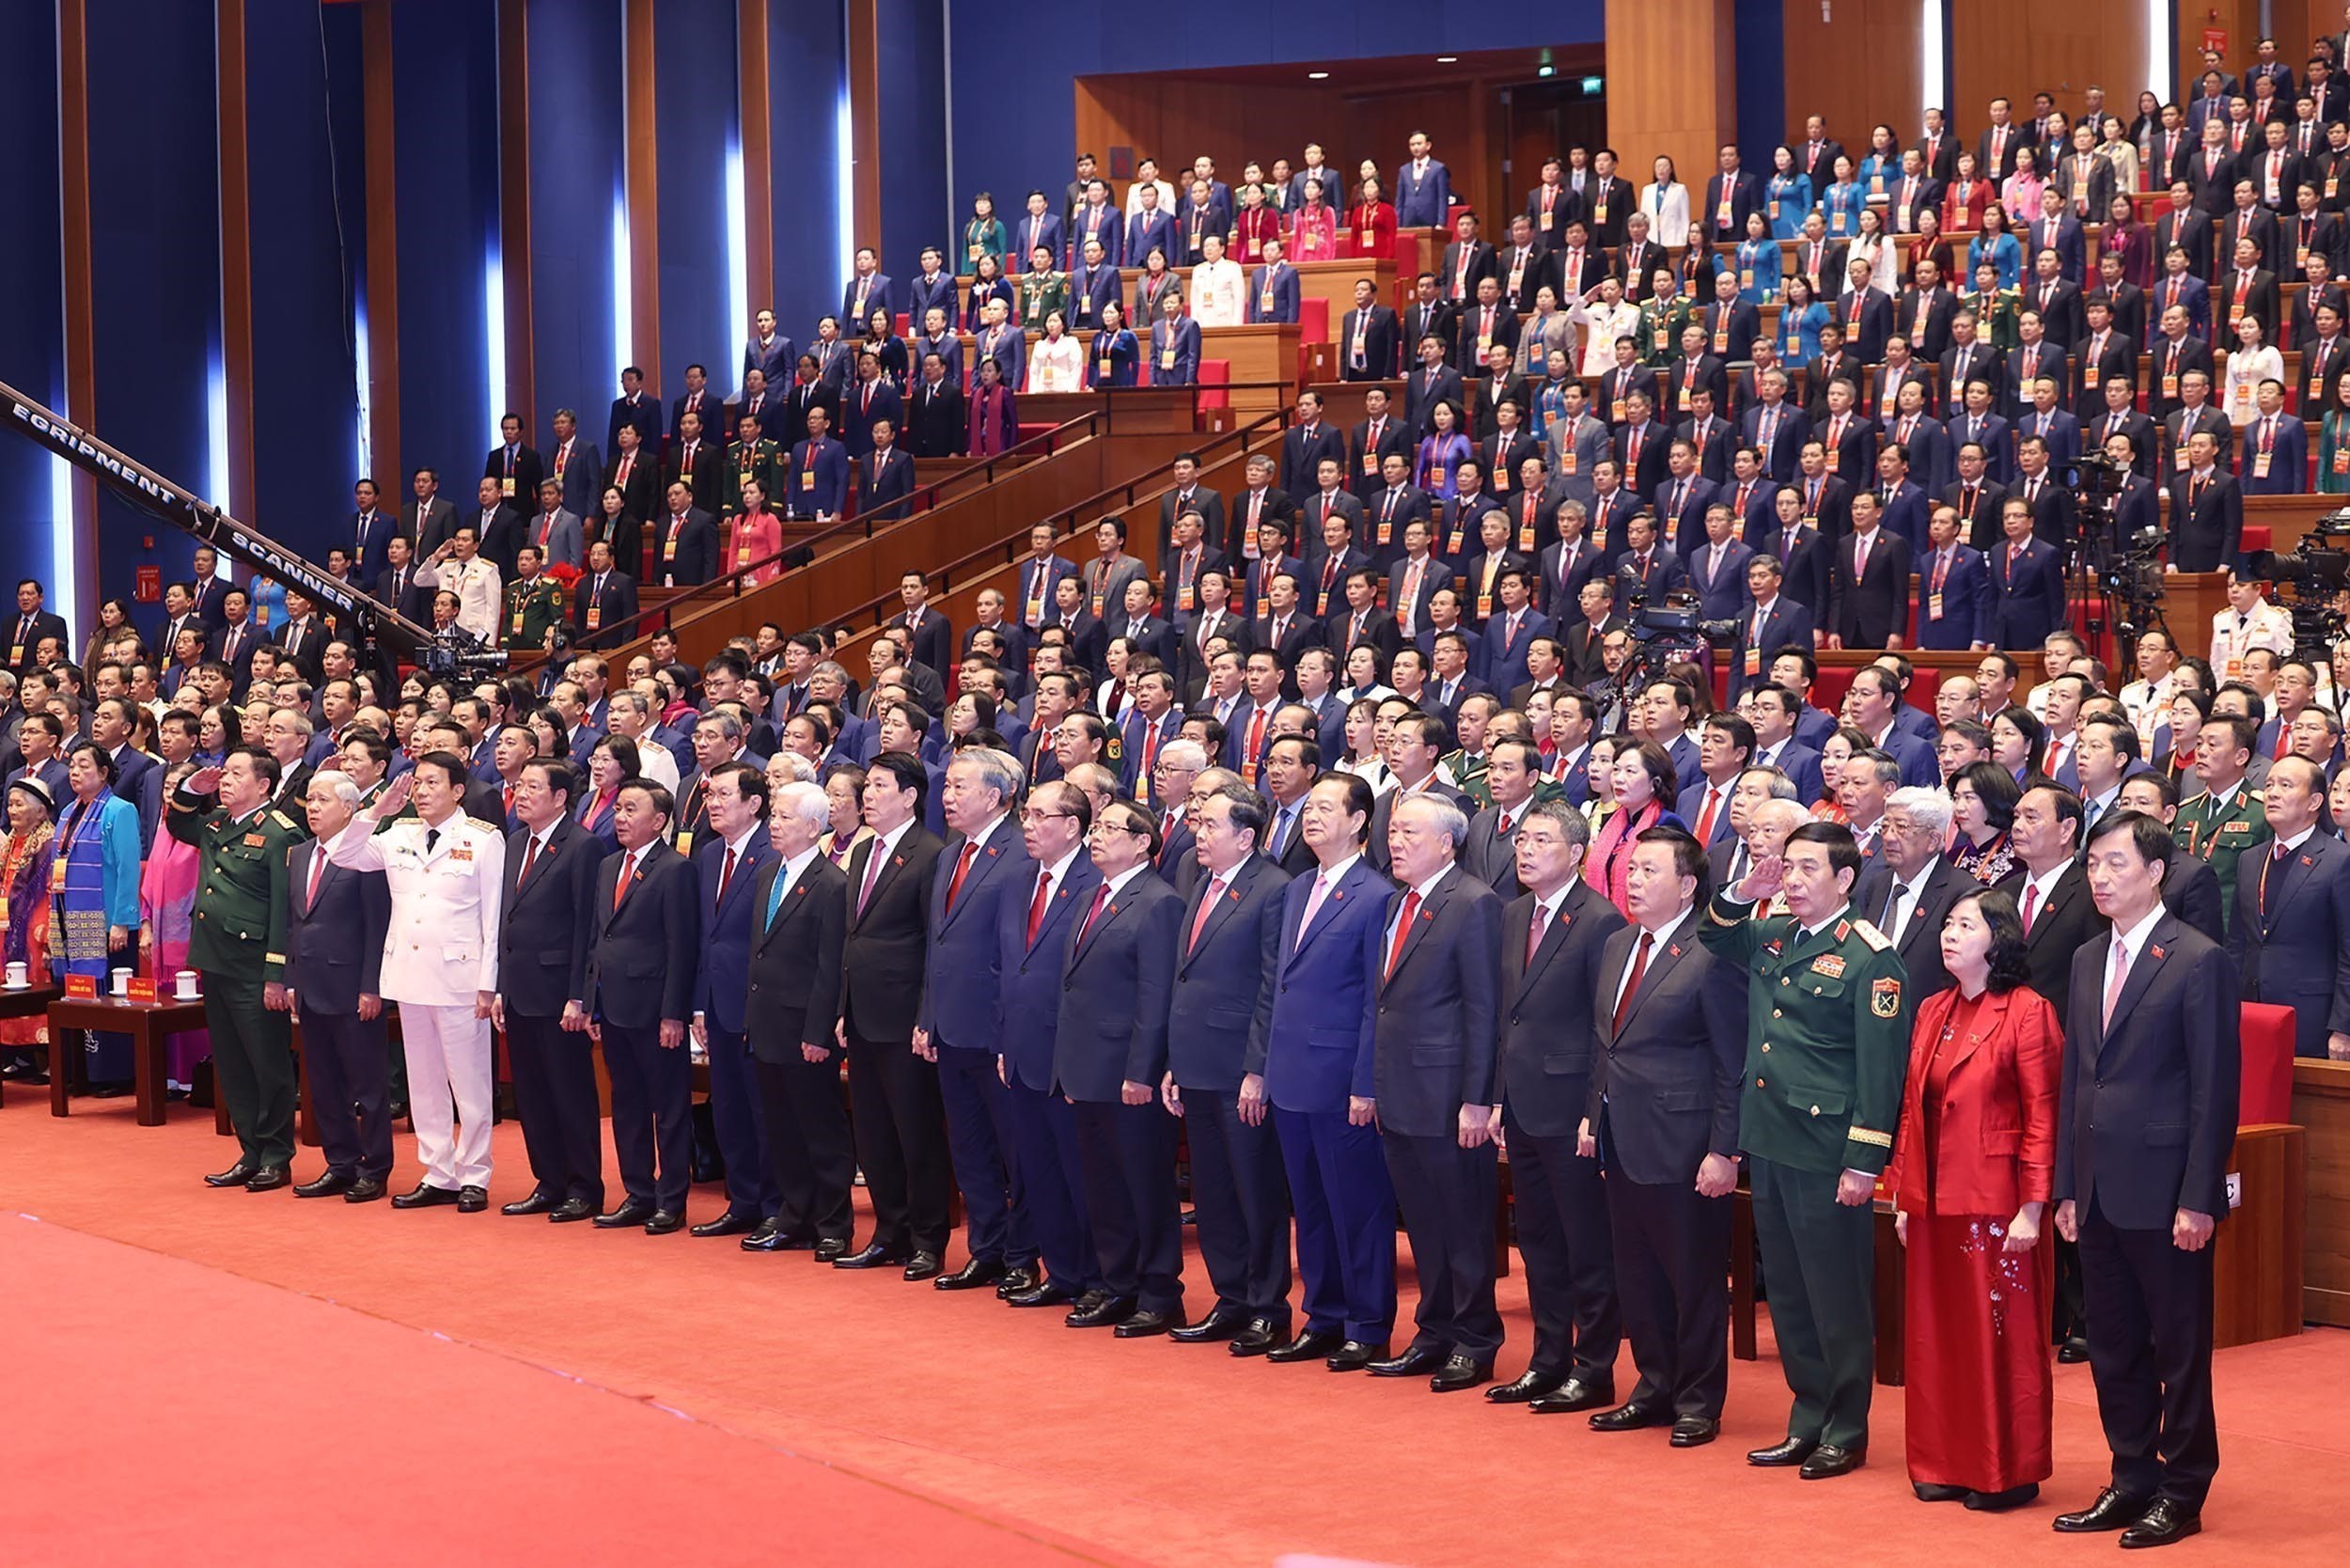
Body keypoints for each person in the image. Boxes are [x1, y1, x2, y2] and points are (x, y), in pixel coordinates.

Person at [2052, 811, 2239, 1549]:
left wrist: (2200, 1197)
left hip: (2166, 1193)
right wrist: (2067, 1185)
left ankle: (2183, 1488)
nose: (2099, 876)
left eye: (2115, 863)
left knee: (2179, 1347)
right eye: (2093, 864)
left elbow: (2213, 1093)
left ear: (2156, 871)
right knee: (2113, 1344)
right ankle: (2131, 1475)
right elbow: (2075, 1081)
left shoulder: (2198, 958)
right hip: (2097, 1189)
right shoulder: (2085, 959)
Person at [1702, 822, 1911, 1479]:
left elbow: (1881, 1072)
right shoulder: (1775, 935)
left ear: (1845, 879)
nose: (1791, 880)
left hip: (1827, 1150)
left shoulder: (1871, 957)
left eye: (1806, 869)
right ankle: (1806, 1417)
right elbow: (1713, 934)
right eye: (1786, 868)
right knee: (1789, 1291)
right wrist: (1744, 888)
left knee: (1835, 1292)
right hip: (1770, 1139)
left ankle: (1846, 1428)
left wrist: (1864, 1160)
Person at [1887, 888, 2060, 1510]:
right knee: (1938, 1336)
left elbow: (2045, 1115)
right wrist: (1904, 1194)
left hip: (1997, 1201)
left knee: (1999, 1337)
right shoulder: (1932, 1007)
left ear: (1999, 938)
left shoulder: (2027, 1010)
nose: (1950, 933)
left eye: (1966, 925)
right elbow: (1912, 1110)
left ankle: (2005, 1469)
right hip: (1934, 1196)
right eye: (1948, 924)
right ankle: (1941, 1460)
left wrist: (2034, 1205)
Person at [1479, 800, 1631, 1407]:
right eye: (1521, 838)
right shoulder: (1514, 914)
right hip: (1519, 1103)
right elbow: (1503, 1018)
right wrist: (1494, 1097)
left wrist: (1595, 1109)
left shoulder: (1599, 920)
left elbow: (1605, 1028)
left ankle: (1593, 1368)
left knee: (1585, 1244)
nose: (1525, 848)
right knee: (1537, 1241)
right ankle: (1547, 1359)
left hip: (1572, 1111)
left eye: (1541, 839)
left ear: (1575, 853)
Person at [1252, 772, 1397, 1367]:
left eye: (1325, 807)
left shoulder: (1375, 893)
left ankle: (1368, 1323)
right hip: (1289, 1073)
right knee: (1309, 1206)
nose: (1310, 816)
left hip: (1340, 1080)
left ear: (1359, 821)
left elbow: (1373, 1000)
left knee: (1356, 1207)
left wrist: (1365, 1083)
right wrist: (1261, 1068)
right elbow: (1277, 986)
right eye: (1307, 807)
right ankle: (1325, 1315)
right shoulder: (1296, 888)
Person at [325, 753, 506, 1211]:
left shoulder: (483, 841)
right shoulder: (397, 833)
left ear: (458, 791)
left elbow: (493, 918)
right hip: (409, 975)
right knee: (423, 1084)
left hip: (460, 979)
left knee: (469, 1083)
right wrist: (376, 810)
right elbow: (342, 852)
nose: (422, 792)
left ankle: (474, 1174)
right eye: (418, 783)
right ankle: (438, 1170)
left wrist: (489, 983)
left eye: (432, 783)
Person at [1161, 778, 1292, 1351]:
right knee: (1211, 1192)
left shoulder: (1273, 889)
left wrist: (1257, 1068)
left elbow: (1272, 986)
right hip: (1195, 1061)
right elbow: (1185, 974)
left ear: (1245, 836)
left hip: (1240, 1067)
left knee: (1254, 1191)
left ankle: (1268, 1307)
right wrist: (1171, 1059)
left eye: (1211, 824)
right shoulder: (1199, 878)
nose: (1199, 831)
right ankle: (1230, 1296)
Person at [1054, 796, 1185, 1333]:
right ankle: (1117, 1283)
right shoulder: (1090, 894)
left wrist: (1143, 1070)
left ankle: (1158, 1292)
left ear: (1142, 843)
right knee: (1104, 1183)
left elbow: (1156, 996)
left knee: (1146, 1185)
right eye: (1097, 827)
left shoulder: (1159, 902)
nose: (1097, 835)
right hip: (1086, 1065)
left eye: (1111, 828)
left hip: (1130, 1072)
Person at [912, 749, 1037, 1293]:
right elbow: (935, 945)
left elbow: (1017, 956)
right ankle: (986, 1247)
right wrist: (927, 1016)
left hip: (996, 1030)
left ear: (995, 795)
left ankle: (1023, 1254)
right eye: (947, 787)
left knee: (1016, 1150)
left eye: (960, 787)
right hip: (950, 1027)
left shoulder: (1020, 856)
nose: (948, 796)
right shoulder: (949, 855)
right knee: (969, 1147)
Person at [167, 748, 305, 1192]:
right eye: (224, 773)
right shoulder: (216, 825)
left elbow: (285, 910)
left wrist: (276, 974)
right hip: (216, 961)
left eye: (235, 774)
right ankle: (250, 1151)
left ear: (264, 785)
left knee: (267, 1064)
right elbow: (178, 823)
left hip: (254, 967)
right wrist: (192, 790)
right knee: (232, 1064)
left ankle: (276, 1155)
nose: (225, 780)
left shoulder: (281, 834)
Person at [836, 751, 950, 1275]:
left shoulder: (931, 854)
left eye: (879, 785)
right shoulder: (862, 852)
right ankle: (889, 1230)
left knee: (916, 1131)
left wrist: (926, 1015)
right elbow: (850, 937)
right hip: (861, 1013)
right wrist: (841, 1007)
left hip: (905, 1017)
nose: (867, 794)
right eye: (867, 785)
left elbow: (933, 944)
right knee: (875, 1133)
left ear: (909, 795)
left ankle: (928, 1238)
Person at [493, 757, 605, 1223]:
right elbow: (506, 919)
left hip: (560, 991)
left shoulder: (582, 847)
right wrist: (498, 985)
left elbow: (587, 925)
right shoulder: (515, 842)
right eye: (520, 786)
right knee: (533, 1093)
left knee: (570, 1091)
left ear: (560, 797)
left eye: (533, 786)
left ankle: (584, 1186)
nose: (521, 793)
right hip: (519, 988)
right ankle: (548, 1180)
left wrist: (579, 994)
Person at [584, 780, 700, 1232]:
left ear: (659, 820)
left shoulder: (675, 869)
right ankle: (637, 1192)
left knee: (669, 1108)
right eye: (619, 808)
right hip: (613, 1006)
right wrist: (593, 1003)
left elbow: (681, 945)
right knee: (627, 1104)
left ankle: (671, 1198)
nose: (621, 816)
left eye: (633, 809)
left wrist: (675, 1013)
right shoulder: (609, 863)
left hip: (655, 1010)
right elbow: (600, 937)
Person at [281, 772, 394, 1201]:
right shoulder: (300, 853)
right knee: (324, 1085)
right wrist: (291, 980)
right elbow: (296, 924)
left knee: (367, 1085)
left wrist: (372, 987)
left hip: (353, 989)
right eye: (309, 799)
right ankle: (340, 1163)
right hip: (310, 988)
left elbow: (376, 924)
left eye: (322, 799)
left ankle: (375, 1166)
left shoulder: (365, 856)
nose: (312, 807)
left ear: (349, 807)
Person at [2230, 753, 2350, 1058]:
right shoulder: (2250, 859)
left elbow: (2348, 951)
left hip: (2311, 1020)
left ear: (2314, 801)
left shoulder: (2339, 861)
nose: (2272, 793)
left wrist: (2343, 1027)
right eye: (2269, 784)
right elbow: (2237, 943)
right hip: (2250, 1012)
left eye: (2286, 785)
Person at [48, 743, 142, 1091]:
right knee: (77, 994)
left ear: (104, 773)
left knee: (110, 998)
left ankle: (114, 1074)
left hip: (107, 921)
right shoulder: (68, 811)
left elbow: (128, 868)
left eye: (84, 765)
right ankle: (82, 1072)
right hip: (69, 916)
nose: (74, 771)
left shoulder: (120, 810)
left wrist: (121, 920)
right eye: (71, 765)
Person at [0, 777, 56, 1077]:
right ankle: (16, 1053)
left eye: (19, 804)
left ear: (40, 812)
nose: (12, 810)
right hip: (8, 924)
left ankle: (46, 1059)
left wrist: (46, 933)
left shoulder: (48, 843)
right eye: (10, 804)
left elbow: (49, 890)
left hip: (35, 923)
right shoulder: (10, 841)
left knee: (35, 982)